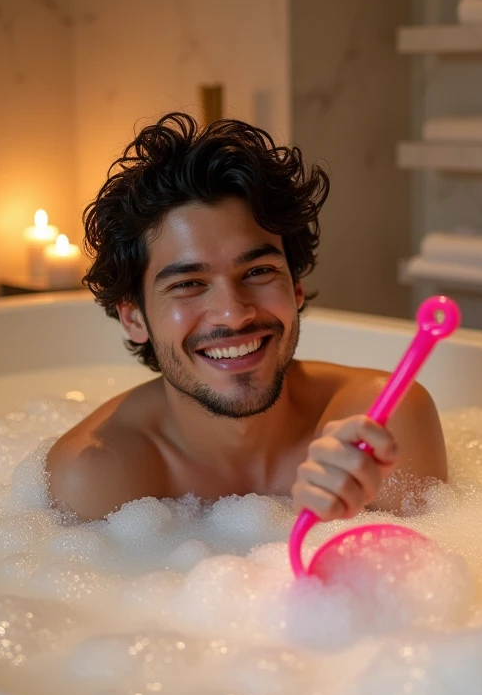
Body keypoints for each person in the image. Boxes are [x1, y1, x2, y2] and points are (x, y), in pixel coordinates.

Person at [47, 113, 447, 522]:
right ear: (134, 318)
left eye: (257, 273)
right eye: (188, 283)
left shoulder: (384, 420)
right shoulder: (96, 477)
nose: (234, 315)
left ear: (295, 288)